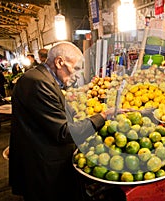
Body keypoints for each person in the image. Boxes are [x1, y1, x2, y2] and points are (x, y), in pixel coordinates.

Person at [9, 42, 113, 201]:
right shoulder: (38, 82)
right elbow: (63, 132)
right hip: (43, 168)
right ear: (59, 62)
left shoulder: (43, 78)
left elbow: (53, 112)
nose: (78, 75)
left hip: (44, 162)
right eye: (76, 68)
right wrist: (103, 117)